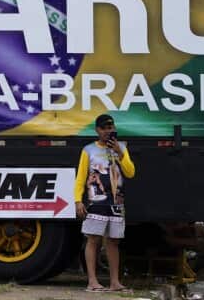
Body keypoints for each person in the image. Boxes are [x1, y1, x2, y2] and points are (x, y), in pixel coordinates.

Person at [76, 113, 135, 292]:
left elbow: (131, 172)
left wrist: (119, 152)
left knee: (114, 241)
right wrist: (78, 200)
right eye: (104, 128)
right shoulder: (88, 150)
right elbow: (81, 177)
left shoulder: (122, 147)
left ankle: (115, 282)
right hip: (97, 201)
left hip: (117, 202)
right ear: (97, 130)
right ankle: (92, 282)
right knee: (93, 239)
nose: (108, 131)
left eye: (111, 127)